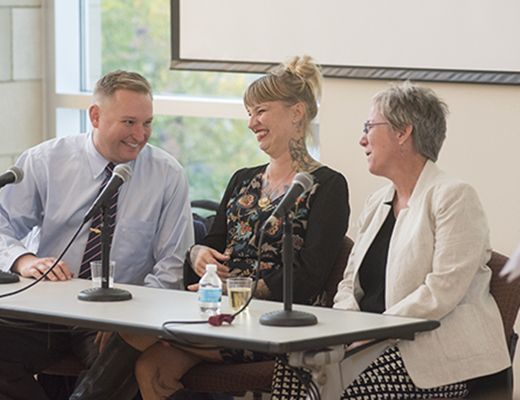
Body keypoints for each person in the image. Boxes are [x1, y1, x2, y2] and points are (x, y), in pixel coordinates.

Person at [70, 55, 350, 400]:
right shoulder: (243, 179)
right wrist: (198, 253)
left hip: (277, 323)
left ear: (296, 113)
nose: (251, 123)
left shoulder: (327, 185)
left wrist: (239, 292)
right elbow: (204, 253)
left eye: (260, 111)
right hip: (219, 315)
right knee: (151, 369)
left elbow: (310, 276)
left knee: (134, 332)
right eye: (249, 113)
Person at [0, 70, 194, 400]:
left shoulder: (167, 175)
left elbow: (172, 267)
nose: (140, 135)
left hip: (120, 316)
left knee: (114, 376)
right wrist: (23, 260)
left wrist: (132, 321)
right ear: (95, 116)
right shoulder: (46, 160)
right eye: (128, 122)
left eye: (147, 123)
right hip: (46, 306)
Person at [287, 82, 510, 400]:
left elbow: (441, 292)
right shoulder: (377, 201)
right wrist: (348, 328)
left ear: (403, 132)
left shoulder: (454, 196)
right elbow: (349, 283)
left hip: (436, 352)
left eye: (369, 127)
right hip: (368, 340)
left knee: (352, 390)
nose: (362, 139)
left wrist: (374, 333)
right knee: (290, 365)